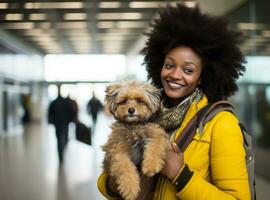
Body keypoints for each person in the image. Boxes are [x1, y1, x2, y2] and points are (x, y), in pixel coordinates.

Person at [97, 3, 251, 199]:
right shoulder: (149, 112)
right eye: (170, 65)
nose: (175, 75)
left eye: (188, 70)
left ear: (202, 76)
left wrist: (181, 175)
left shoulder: (221, 123)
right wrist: (114, 181)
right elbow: (108, 184)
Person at [48, 85, 73, 164]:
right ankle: (63, 148)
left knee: (59, 139)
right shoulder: (66, 102)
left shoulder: (54, 102)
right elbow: (70, 112)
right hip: (65, 123)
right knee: (64, 136)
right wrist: (70, 120)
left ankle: (61, 154)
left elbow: (49, 113)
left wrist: (51, 122)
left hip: (57, 123)